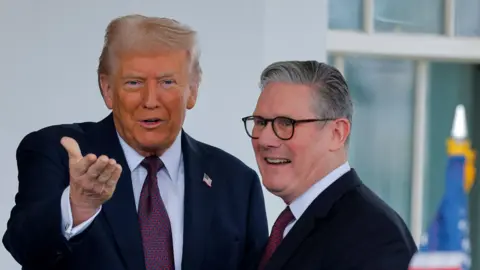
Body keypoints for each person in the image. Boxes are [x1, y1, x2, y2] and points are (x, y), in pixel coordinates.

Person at [3, 14, 268, 270]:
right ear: (107, 90)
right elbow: (24, 247)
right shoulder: (57, 153)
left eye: (167, 82)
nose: (150, 100)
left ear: (193, 90)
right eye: (133, 82)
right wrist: (78, 205)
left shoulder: (237, 182)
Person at [242, 60, 417, 270]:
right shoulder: (292, 224)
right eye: (261, 122)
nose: (265, 140)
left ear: (337, 134)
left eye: (286, 123)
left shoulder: (376, 238)